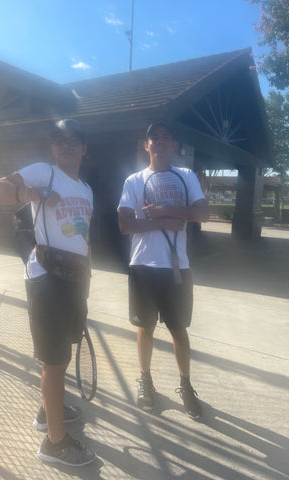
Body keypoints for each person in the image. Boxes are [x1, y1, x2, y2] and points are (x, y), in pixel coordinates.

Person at [0, 119, 96, 466]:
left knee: (58, 355)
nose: (65, 146)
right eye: (59, 141)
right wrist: (35, 194)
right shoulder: (42, 172)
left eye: (72, 141)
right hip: (46, 277)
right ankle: (54, 443)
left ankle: (50, 412)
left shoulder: (87, 190)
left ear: (83, 148)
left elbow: (81, 236)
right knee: (54, 358)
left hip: (74, 278)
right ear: (52, 148)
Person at [117, 120, 209, 419]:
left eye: (165, 137)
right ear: (146, 145)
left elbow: (203, 213)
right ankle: (145, 380)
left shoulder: (185, 176)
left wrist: (165, 210)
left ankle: (185, 384)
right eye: (153, 138)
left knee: (178, 330)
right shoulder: (134, 180)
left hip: (176, 267)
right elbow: (124, 224)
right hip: (143, 264)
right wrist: (160, 222)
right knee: (145, 328)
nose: (159, 141)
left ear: (173, 145)